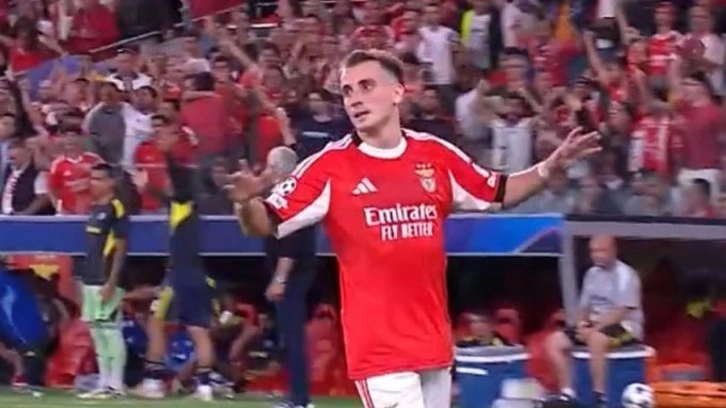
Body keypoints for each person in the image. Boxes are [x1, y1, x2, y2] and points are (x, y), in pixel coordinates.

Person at [226, 49, 600, 408]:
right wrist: (245, 203)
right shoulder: (328, 167)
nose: (355, 99)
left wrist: (549, 166)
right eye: (348, 91)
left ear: (397, 92)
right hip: (379, 347)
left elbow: (498, 192)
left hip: (431, 341)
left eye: (366, 86)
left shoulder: (435, 155)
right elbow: (264, 223)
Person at [131, 121, 216, 401]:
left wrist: (167, 152)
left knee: (155, 323)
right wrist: (148, 188)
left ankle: (153, 384)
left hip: (179, 275)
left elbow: (177, 180)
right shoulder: (188, 208)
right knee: (198, 331)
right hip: (197, 274)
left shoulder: (182, 204)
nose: (168, 182)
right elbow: (170, 193)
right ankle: (204, 388)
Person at [545, 235, 643, 408]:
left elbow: (620, 312)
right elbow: (584, 307)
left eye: (602, 251)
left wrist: (593, 330)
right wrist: (581, 324)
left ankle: (600, 396)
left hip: (626, 325)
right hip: (595, 324)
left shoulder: (626, 274)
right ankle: (567, 392)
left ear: (613, 250)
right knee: (554, 341)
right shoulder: (591, 274)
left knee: (597, 339)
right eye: (593, 251)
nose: (597, 255)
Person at [263, 146, 317, 408]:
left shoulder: (290, 199)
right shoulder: (294, 195)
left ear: (277, 169)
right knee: (290, 336)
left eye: (269, 165)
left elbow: (290, 244)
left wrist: (279, 279)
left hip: (293, 277)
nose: (266, 171)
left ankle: (300, 400)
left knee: (293, 337)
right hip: (296, 274)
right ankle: (296, 396)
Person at [78, 163, 129, 399]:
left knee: (110, 330)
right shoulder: (95, 208)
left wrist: (112, 281)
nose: (93, 183)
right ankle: (104, 382)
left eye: (99, 179)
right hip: (91, 278)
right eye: (92, 178)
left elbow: (121, 247)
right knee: (97, 332)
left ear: (111, 182)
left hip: (106, 279)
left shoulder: (116, 208)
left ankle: (116, 385)